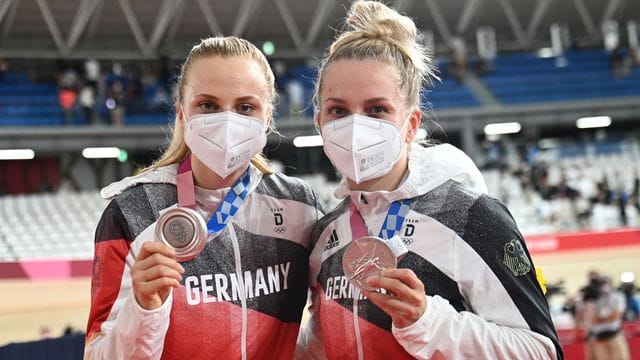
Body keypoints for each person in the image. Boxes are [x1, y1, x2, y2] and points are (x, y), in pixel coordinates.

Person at [296, 1, 562, 359]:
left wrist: (427, 321)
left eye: (377, 109)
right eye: (338, 110)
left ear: (412, 124)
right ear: (320, 124)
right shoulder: (325, 233)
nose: (356, 126)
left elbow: (541, 351)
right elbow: (321, 347)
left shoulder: (471, 216)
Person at [85, 36, 323, 359]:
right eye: (208, 105)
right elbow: (95, 354)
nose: (227, 120)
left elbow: (328, 327)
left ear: (267, 118)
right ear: (183, 114)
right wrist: (142, 310)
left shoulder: (299, 207)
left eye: (245, 107)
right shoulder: (131, 213)